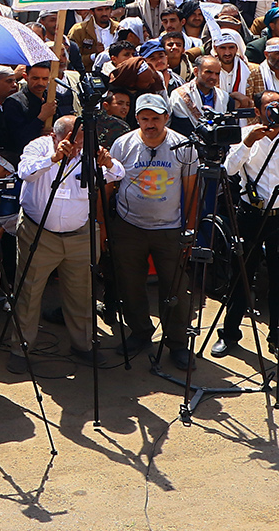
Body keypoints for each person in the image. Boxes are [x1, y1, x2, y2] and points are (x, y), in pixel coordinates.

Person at [10, 114, 122, 371]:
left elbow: (118, 173)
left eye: (82, 142)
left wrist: (107, 161)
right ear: (56, 136)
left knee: (82, 293)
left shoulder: (91, 151)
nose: (78, 147)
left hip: (80, 235)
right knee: (28, 293)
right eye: (74, 140)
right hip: (39, 233)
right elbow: (24, 173)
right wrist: (53, 159)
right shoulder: (39, 147)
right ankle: (21, 348)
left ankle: (84, 345)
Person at [216, 91, 279, 363]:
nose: (275, 112)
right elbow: (228, 169)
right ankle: (229, 333)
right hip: (253, 211)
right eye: (269, 107)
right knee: (241, 273)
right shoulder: (247, 133)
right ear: (258, 111)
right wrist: (248, 143)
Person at [107, 93, 200, 369]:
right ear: (136, 119)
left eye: (156, 119)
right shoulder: (122, 145)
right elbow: (109, 185)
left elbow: (191, 190)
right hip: (129, 226)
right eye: (145, 119)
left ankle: (178, 343)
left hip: (169, 228)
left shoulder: (183, 146)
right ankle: (139, 331)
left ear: (166, 119)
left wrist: (190, 230)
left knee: (175, 287)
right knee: (131, 284)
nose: (150, 125)